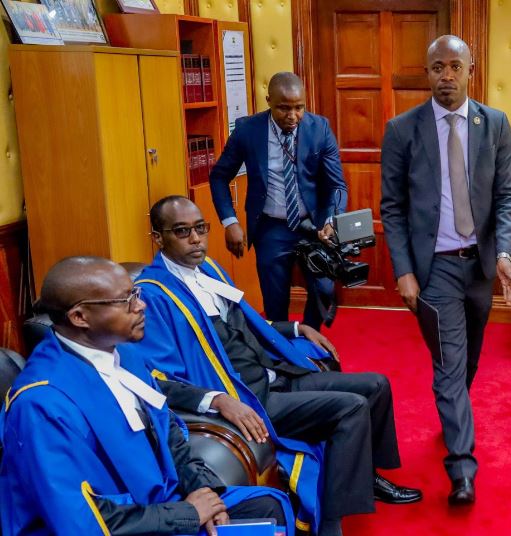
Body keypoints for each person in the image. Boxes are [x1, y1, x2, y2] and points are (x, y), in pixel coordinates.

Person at [135, 196, 421, 536]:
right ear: (158, 237)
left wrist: (297, 328)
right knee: (351, 408)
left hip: (273, 373)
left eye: (200, 228)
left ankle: (367, 475)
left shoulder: (208, 268)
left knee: (375, 385)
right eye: (182, 231)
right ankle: (331, 522)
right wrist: (218, 400)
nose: (196, 239)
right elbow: (154, 378)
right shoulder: (152, 295)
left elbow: (249, 320)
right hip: (250, 396)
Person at [0, 256, 293, 535]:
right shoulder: (41, 404)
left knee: (265, 507)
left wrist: (204, 490)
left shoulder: (124, 354)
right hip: (116, 525)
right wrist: (187, 514)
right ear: (79, 316)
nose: (141, 306)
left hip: (160, 505)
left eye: (136, 293)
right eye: (126, 300)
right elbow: (79, 518)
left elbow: (169, 432)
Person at [380, 35, 511, 505]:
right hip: (434, 268)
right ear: (427, 73)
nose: (446, 76)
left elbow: (506, 196)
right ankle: (462, 468)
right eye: (437, 67)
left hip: (479, 265)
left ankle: (454, 415)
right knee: (448, 365)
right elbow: (393, 208)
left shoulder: (495, 124)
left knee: (468, 362)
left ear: (470, 70)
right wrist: (403, 270)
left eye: (454, 67)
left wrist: (503, 253)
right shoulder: (403, 130)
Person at [210, 71, 348, 330]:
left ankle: (308, 338)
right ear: (268, 101)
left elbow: (336, 184)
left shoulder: (320, 128)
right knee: (275, 301)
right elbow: (219, 176)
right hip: (272, 227)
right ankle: (282, 351)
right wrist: (230, 221)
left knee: (324, 287)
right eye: (284, 108)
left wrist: (332, 218)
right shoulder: (247, 131)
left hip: (314, 224)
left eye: (299, 108)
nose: (293, 116)